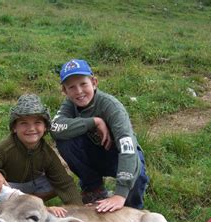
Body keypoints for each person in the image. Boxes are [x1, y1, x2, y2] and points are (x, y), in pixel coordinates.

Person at [50, 59, 149, 213]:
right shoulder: (70, 105)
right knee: (65, 140)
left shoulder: (112, 106)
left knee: (136, 176)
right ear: (65, 91)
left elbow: (128, 148)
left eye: (83, 84)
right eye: (72, 87)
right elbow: (55, 128)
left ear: (94, 82)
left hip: (119, 156)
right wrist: (93, 121)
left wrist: (120, 194)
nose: (79, 91)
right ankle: (93, 189)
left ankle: (133, 209)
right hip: (95, 153)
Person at [0, 93, 82, 206]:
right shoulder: (5, 147)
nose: (31, 128)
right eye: (24, 123)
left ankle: (27, 203)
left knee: (57, 182)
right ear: (14, 127)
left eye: (37, 122)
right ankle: (9, 204)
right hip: (9, 187)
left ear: (45, 127)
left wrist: (78, 210)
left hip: (31, 186)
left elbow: (64, 183)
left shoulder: (46, 152)